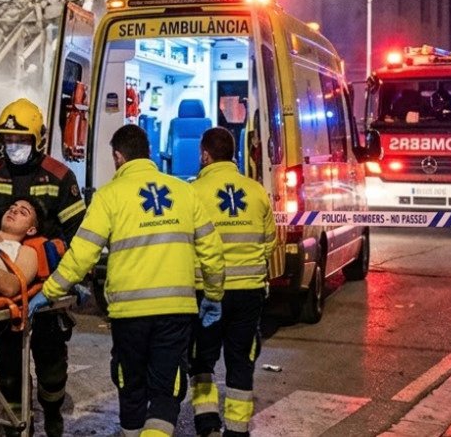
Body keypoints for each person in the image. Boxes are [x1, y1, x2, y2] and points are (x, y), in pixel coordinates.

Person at [31, 124, 225, 437]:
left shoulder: (109, 195)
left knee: (131, 388)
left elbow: (82, 254)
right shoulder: (184, 191)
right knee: (165, 392)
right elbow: (212, 250)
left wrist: (49, 290)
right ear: (148, 153)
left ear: (118, 157)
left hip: (129, 315)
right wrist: (214, 295)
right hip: (175, 311)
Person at [0, 98, 86, 437]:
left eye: (20, 139)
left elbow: (78, 233)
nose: (13, 145)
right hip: (4, 284)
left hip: (45, 283)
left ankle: (52, 413)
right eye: (8, 139)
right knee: (8, 367)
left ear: (38, 140)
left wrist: (69, 275)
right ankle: (17, 426)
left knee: (51, 363)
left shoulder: (59, 176)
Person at [188, 127, 274, 437]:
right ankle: (237, 430)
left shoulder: (193, 192)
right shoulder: (256, 191)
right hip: (249, 292)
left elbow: (186, 244)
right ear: (233, 154)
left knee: (201, 358)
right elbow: (269, 242)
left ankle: (207, 423)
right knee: (241, 361)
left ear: (205, 155)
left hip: (207, 292)